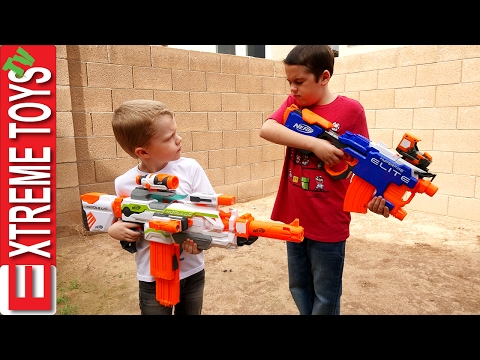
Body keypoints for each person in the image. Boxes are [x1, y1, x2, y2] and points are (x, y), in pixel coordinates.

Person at [259, 45, 389, 315]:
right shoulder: (294, 105)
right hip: (295, 216)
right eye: (289, 82)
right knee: (298, 287)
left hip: (329, 221)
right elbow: (268, 128)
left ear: (325, 77)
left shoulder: (351, 110)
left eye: (299, 82)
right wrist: (315, 145)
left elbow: (366, 163)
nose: (292, 89)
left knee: (326, 296)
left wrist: (380, 198)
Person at [107, 99, 214, 315]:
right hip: (151, 275)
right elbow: (120, 220)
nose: (179, 139)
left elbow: (210, 212)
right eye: (169, 138)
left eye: (176, 132)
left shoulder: (189, 169)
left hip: (191, 270)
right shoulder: (124, 183)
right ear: (143, 152)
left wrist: (201, 238)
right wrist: (114, 230)